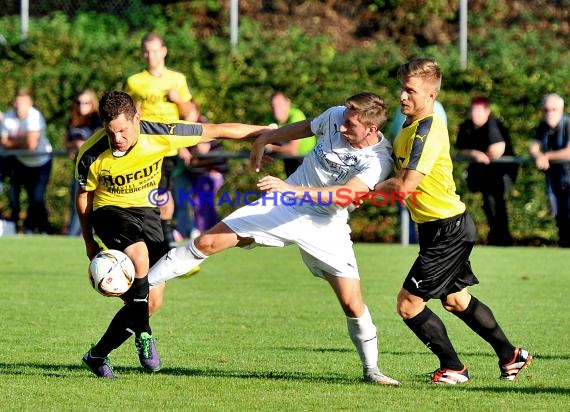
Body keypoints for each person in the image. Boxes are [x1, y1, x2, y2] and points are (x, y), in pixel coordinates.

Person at [147, 92, 400, 386]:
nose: (342, 128)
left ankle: (372, 370)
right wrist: (267, 138)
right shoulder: (336, 115)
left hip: (326, 223)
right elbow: (305, 127)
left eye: (351, 126)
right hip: (284, 205)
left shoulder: (378, 159)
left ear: (371, 129)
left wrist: (289, 190)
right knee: (207, 242)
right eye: (344, 121)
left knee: (352, 302)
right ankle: (143, 286)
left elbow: (344, 194)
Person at [76, 91, 271, 379]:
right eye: (111, 132)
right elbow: (84, 198)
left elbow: (218, 130)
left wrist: (266, 133)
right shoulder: (91, 153)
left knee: (151, 300)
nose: (117, 138)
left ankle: (97, 355)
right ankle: (144, 335)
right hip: (110, 211)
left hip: (148, 213)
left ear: (137, 119)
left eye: (123, 130)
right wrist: (90, 242)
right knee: (139, 256)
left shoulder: (160, 133)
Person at [373, 58, 532, 384]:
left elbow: (404, 187)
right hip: (440, 227)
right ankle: (511, 356)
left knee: (408, 304)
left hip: (447, 230)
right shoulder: (408, 125)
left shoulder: (427, 132)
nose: (402, 96)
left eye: (410, 91)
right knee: (457, 300)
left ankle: (454, 367)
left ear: (431, 95)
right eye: (401, 89)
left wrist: (367, 191)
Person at [125, 31, 198, 249]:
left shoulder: (177, 80)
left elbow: (191, 115)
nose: (151, 56)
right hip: (143, 147)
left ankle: (166, 235)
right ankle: (156, 234)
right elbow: (126, 114)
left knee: (162, 192)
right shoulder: (134, 82)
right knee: (144, 194)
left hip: (167, 148)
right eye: (146, 52)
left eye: (155, 51)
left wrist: (178, 101)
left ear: (164, 51)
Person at [455, 96, 518, 246]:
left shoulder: (493, 124)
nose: (475, 115)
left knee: (496, 203)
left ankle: (502, 238)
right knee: (489, 203)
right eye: (473, 111)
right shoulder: (467, 126)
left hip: (502, 173)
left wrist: (485, 156)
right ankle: (498, 237)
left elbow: (497, 149)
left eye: (479, 111)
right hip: (485, 173)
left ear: (487, 111)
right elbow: (462, 149)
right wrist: (475, 154)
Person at [389, 100, 447, 245]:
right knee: (407, 209)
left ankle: (421, 243)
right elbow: (395, 135)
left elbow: (431, 144)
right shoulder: (402, 109)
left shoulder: (435, 111)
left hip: (423, 175)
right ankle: (411, 243)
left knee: (425, 214)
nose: (403, 96)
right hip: (405, 170)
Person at [0, 87, 52, 234]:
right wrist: (23, 140)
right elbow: (3, 143)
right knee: (13, 197)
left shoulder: (35, 117)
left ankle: (42, 228)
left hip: (41, 163)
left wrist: (13, 141)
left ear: (30, 104)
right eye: (17, 103)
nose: (19, 106)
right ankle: (21, 228)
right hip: (21, 163)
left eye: (22, 103)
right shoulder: (8, 118)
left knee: (36, 198)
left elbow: (31, 145)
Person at [529, 93, 570, 247]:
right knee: (559, 215)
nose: (549, 113)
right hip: (555, 178)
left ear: (561, 109)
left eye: (554, 109)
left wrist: (546, 155)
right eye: (546, 110)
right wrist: (538, 155)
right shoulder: (543, 126)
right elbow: (533, 146)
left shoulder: (568, 124)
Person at [64, 89, 102, 236]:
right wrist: (73, 147)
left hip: (96, 169)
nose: (82, 106)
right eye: (78, 102)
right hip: (80, 170)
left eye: (86, 102)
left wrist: (82, 146)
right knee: (78, 203)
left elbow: (99, 140)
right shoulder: (72, 120)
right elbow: (67, 142)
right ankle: (73, 235)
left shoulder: (97, 119)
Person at [264, 91, 316, 177]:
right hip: (289, 160)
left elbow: (292, 149)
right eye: (274, 107)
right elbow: (264, 142)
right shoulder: (269, 117)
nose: (277, 111)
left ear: (288, 103)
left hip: (308, 161)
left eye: (280, 106)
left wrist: (271, 148)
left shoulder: (296, 115)